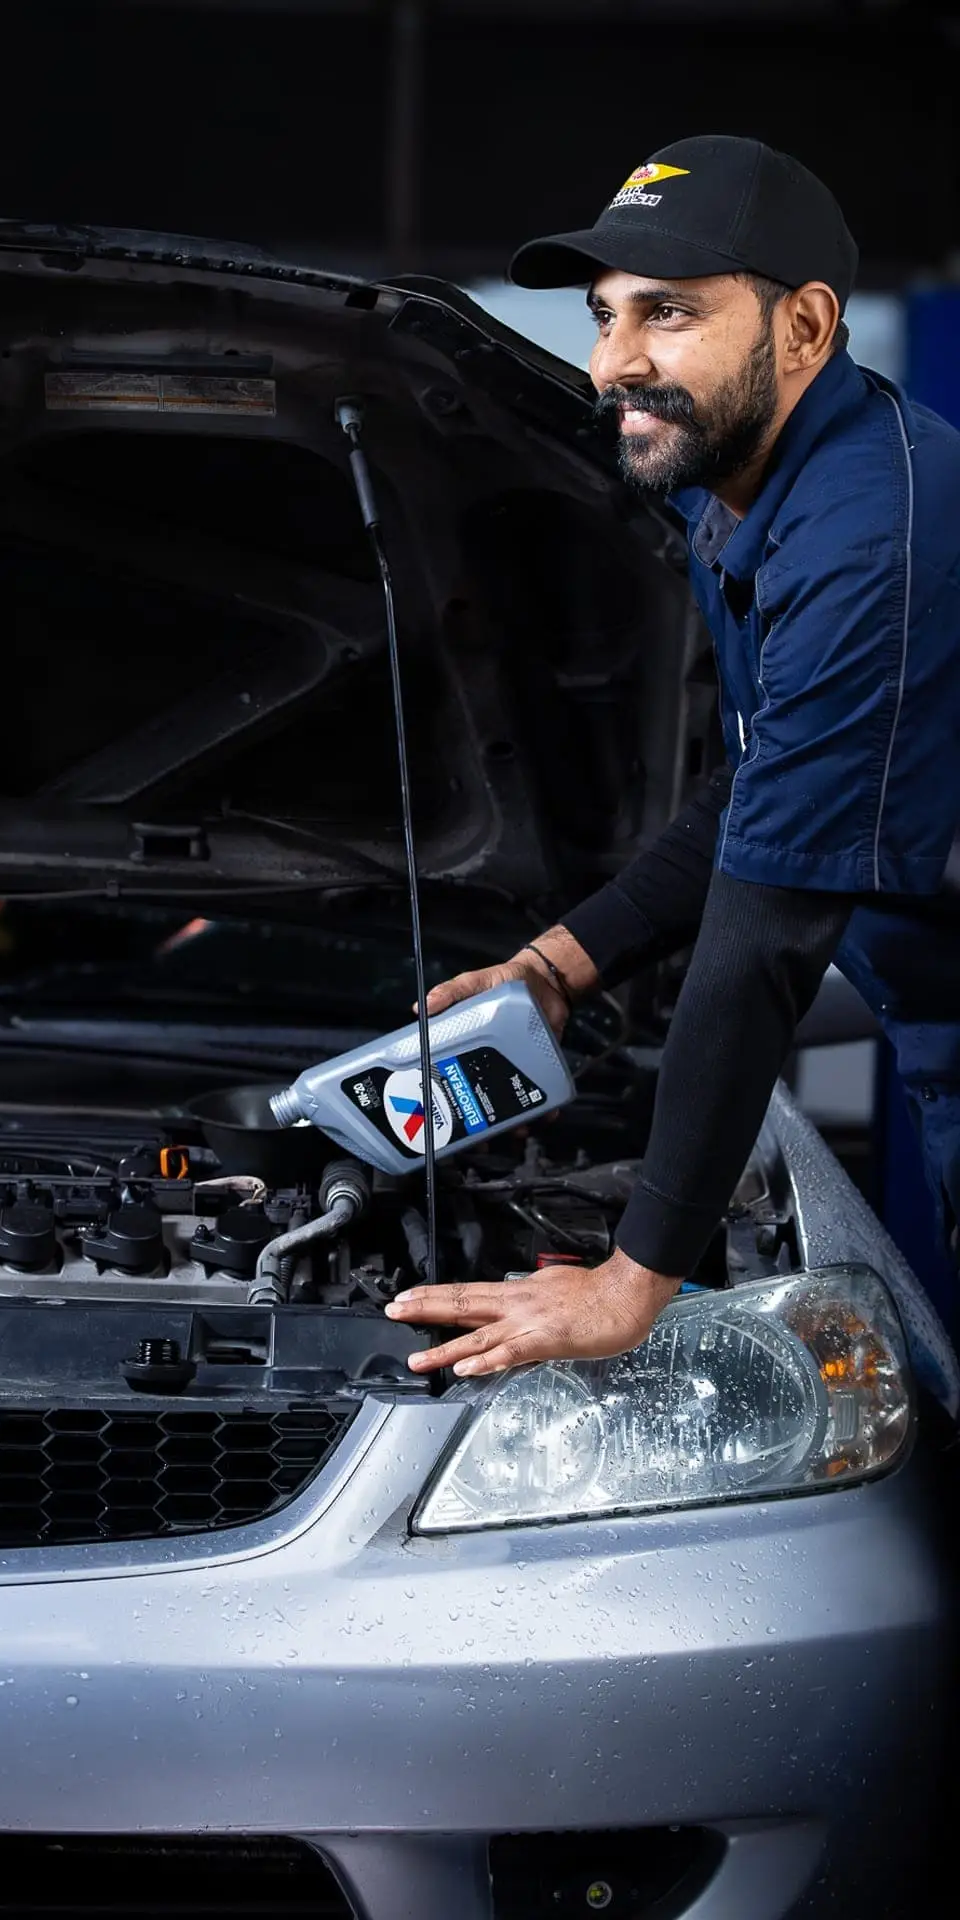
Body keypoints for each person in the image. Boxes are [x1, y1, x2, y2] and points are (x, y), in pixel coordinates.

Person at [386, 134, 960, 1380]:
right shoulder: (739, 497)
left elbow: (764, 938)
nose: (614, 365)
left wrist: (632, 1279)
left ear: (804, 327)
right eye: (604, 317)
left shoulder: (870, 539)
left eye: (669, 314)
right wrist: (554, 969)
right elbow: (758, 788)